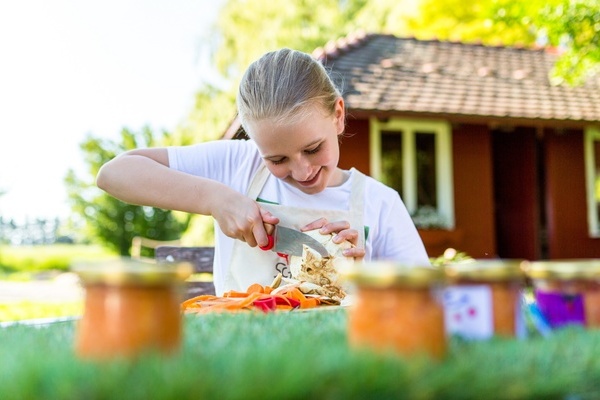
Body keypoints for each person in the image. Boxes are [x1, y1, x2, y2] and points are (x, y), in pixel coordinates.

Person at [96, 48, 429, 295]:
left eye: (313, 149)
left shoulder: (380, 202)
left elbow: (425, 302)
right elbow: (114, 174)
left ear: (338, 115)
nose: (302, 171)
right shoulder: (239, 165)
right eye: (277, 159)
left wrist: (364, 276)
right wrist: (215, 198)